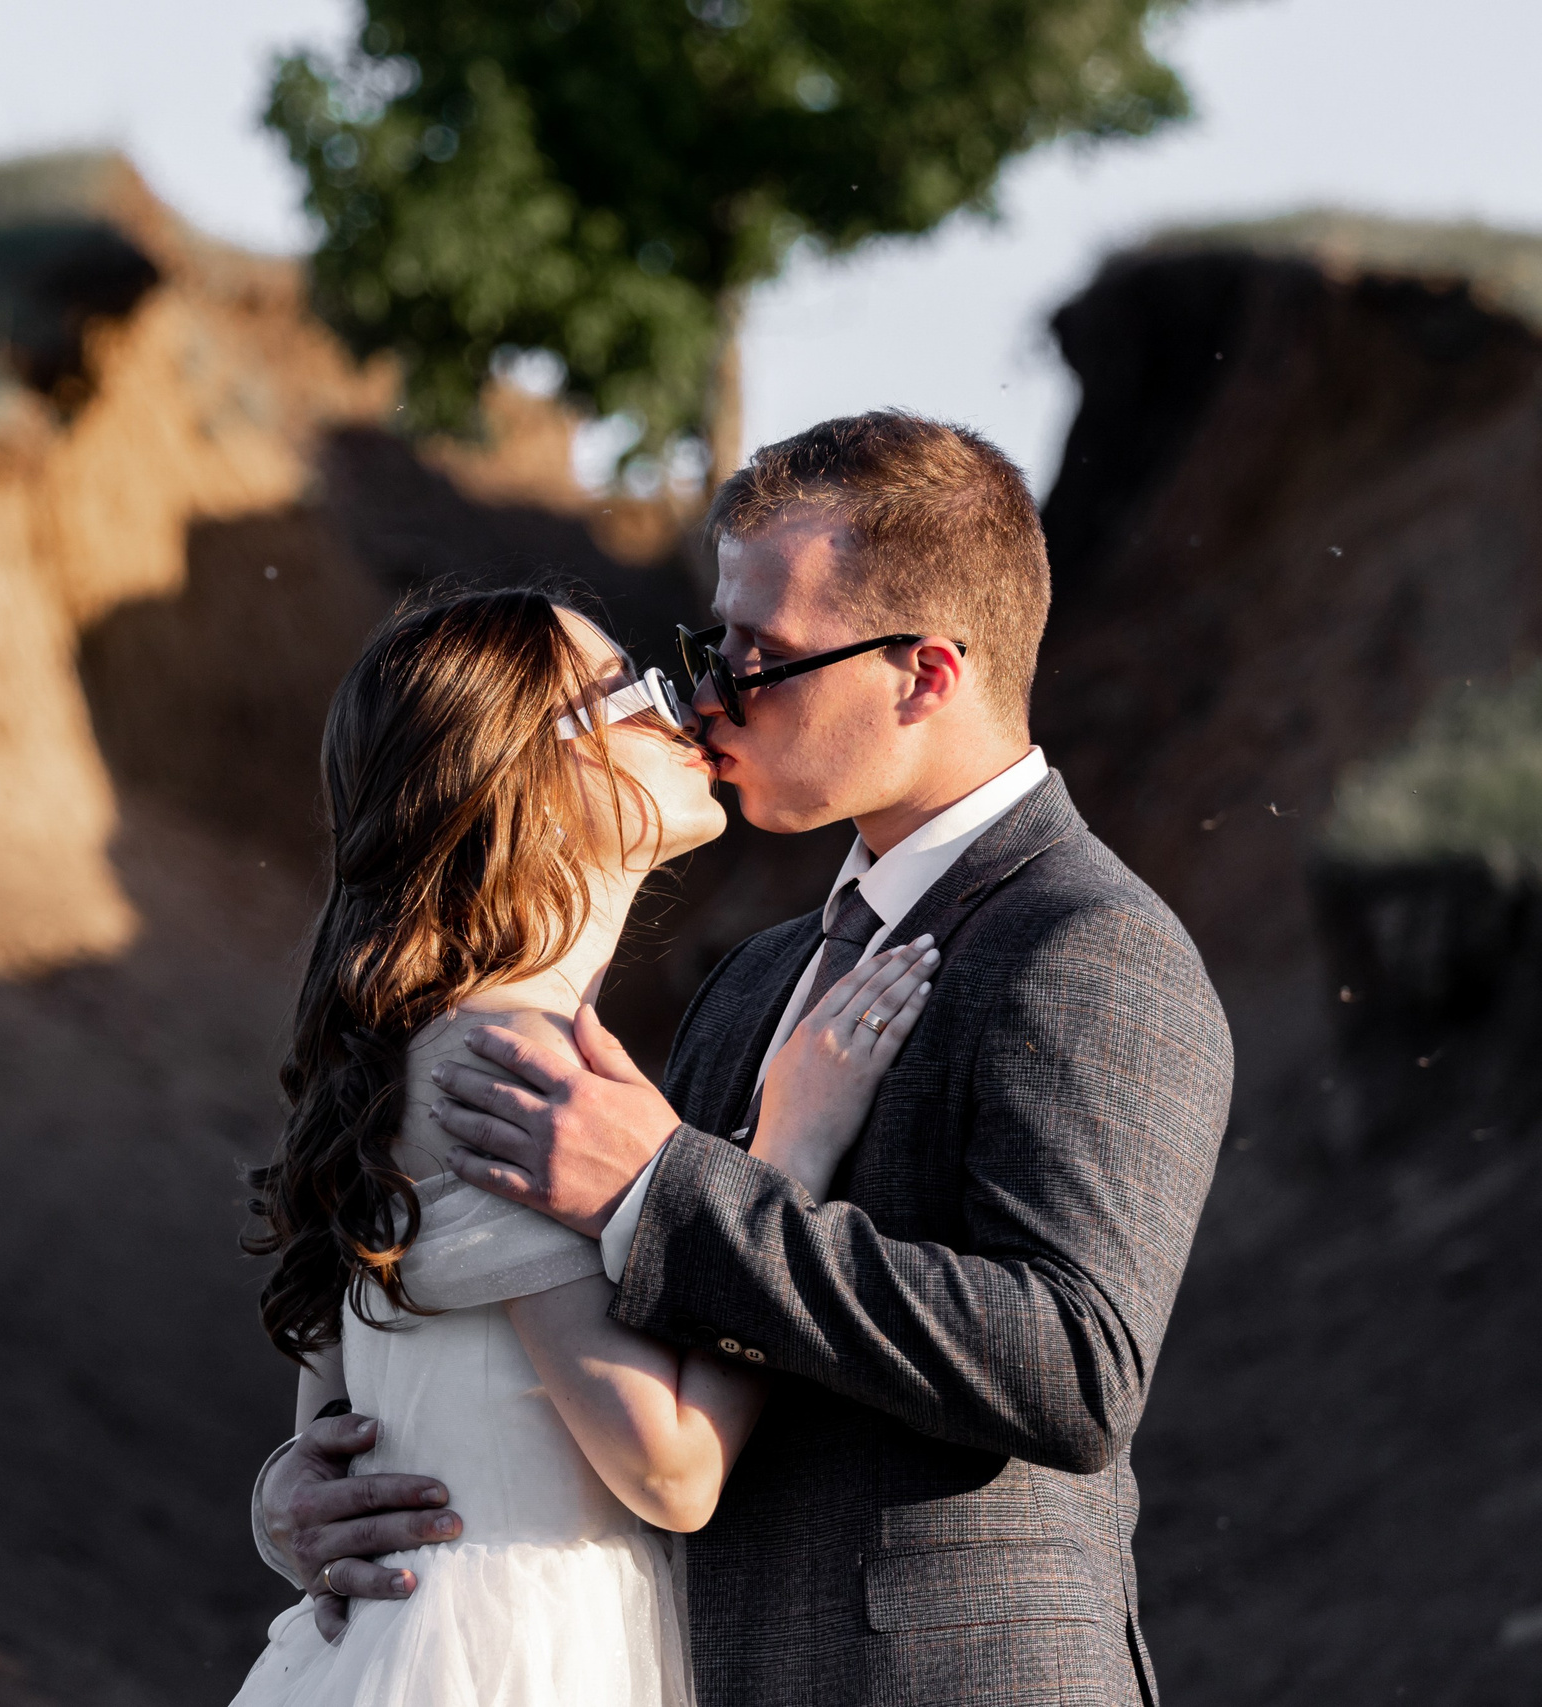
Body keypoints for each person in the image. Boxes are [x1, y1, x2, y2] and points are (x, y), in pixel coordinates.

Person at [257, 413, 1233, 1706]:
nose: (709, 693)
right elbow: (598, 1333)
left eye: (759, 655)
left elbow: (1076, 1362)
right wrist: (307, 1482)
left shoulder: (1089, 943)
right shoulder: (755, 978)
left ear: (924, 673)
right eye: (706, 646)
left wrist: (671, 1187)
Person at [230, 586, 940, 1707]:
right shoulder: (501, 1057)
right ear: (528, 773)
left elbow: (335, 1428)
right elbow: (671, 1466)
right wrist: (789, 1146)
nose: (692, 708)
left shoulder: (426, 1039)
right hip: (522, 1654)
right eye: (635, 695)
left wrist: (286, 1496)